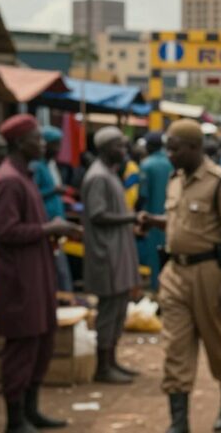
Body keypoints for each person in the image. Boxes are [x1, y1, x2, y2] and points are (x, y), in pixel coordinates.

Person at [137, 119, 221, 433]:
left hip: (209, 274)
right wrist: (154, 221)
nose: (169, 154)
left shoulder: (220, 183)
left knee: (218, 344)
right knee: (175, 347)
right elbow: (179, 221)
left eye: (175, 149)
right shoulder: (176, 180)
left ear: (195, 148)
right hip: (174, 274)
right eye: (167, 148)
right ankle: (179, 421)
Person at [0, 114, 82, 432]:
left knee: (42, 343)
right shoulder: (8, 181)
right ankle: (15, 419)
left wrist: (52, 230)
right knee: (22, 346)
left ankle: (31, 410)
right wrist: (49, 228)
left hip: (37, 274)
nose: (43, 145)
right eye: (37, 139)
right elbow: (6, 230)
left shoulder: (24, 176)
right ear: (19, 142)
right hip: (19, 280)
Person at [80, 126, 141, 385]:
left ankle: (112, 361)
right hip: (106, 254)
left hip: (118, 252)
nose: (124, 151)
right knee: (108, 312)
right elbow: (97, 214)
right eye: (119, 146)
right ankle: (103, 368)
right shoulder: (98, 177)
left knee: (118, 310)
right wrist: (131, 217)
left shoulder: (111, 174)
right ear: (105, 148)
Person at [31, 125, 74, 293]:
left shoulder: (51, 165)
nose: (58, 149)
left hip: (57, 225)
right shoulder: (36, 167)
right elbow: (33, 195)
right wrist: (54, 191)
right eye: (55, 144)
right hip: (46, 226)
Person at [138, 132, 173, 291]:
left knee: (154, 257)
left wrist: (138, 215)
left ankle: (157, 289)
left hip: (153, 218)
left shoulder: (147, 165)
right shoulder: (171, 162)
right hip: (171, 217)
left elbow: (143, 195)